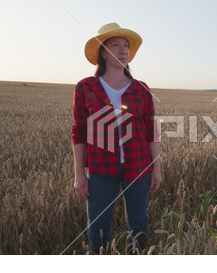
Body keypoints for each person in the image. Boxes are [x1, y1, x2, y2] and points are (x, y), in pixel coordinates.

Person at [71, 22, 162, 253]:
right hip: (101, 170)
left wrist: (157, 168)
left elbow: (151, 131)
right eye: (115, 45)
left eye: (126, 46)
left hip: (139, 167)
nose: (123, 51)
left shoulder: (141, 89)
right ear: (102, 51)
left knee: (139, 223)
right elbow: (79, 131)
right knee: (98, 228)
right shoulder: (86, 88)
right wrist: (79, 174)